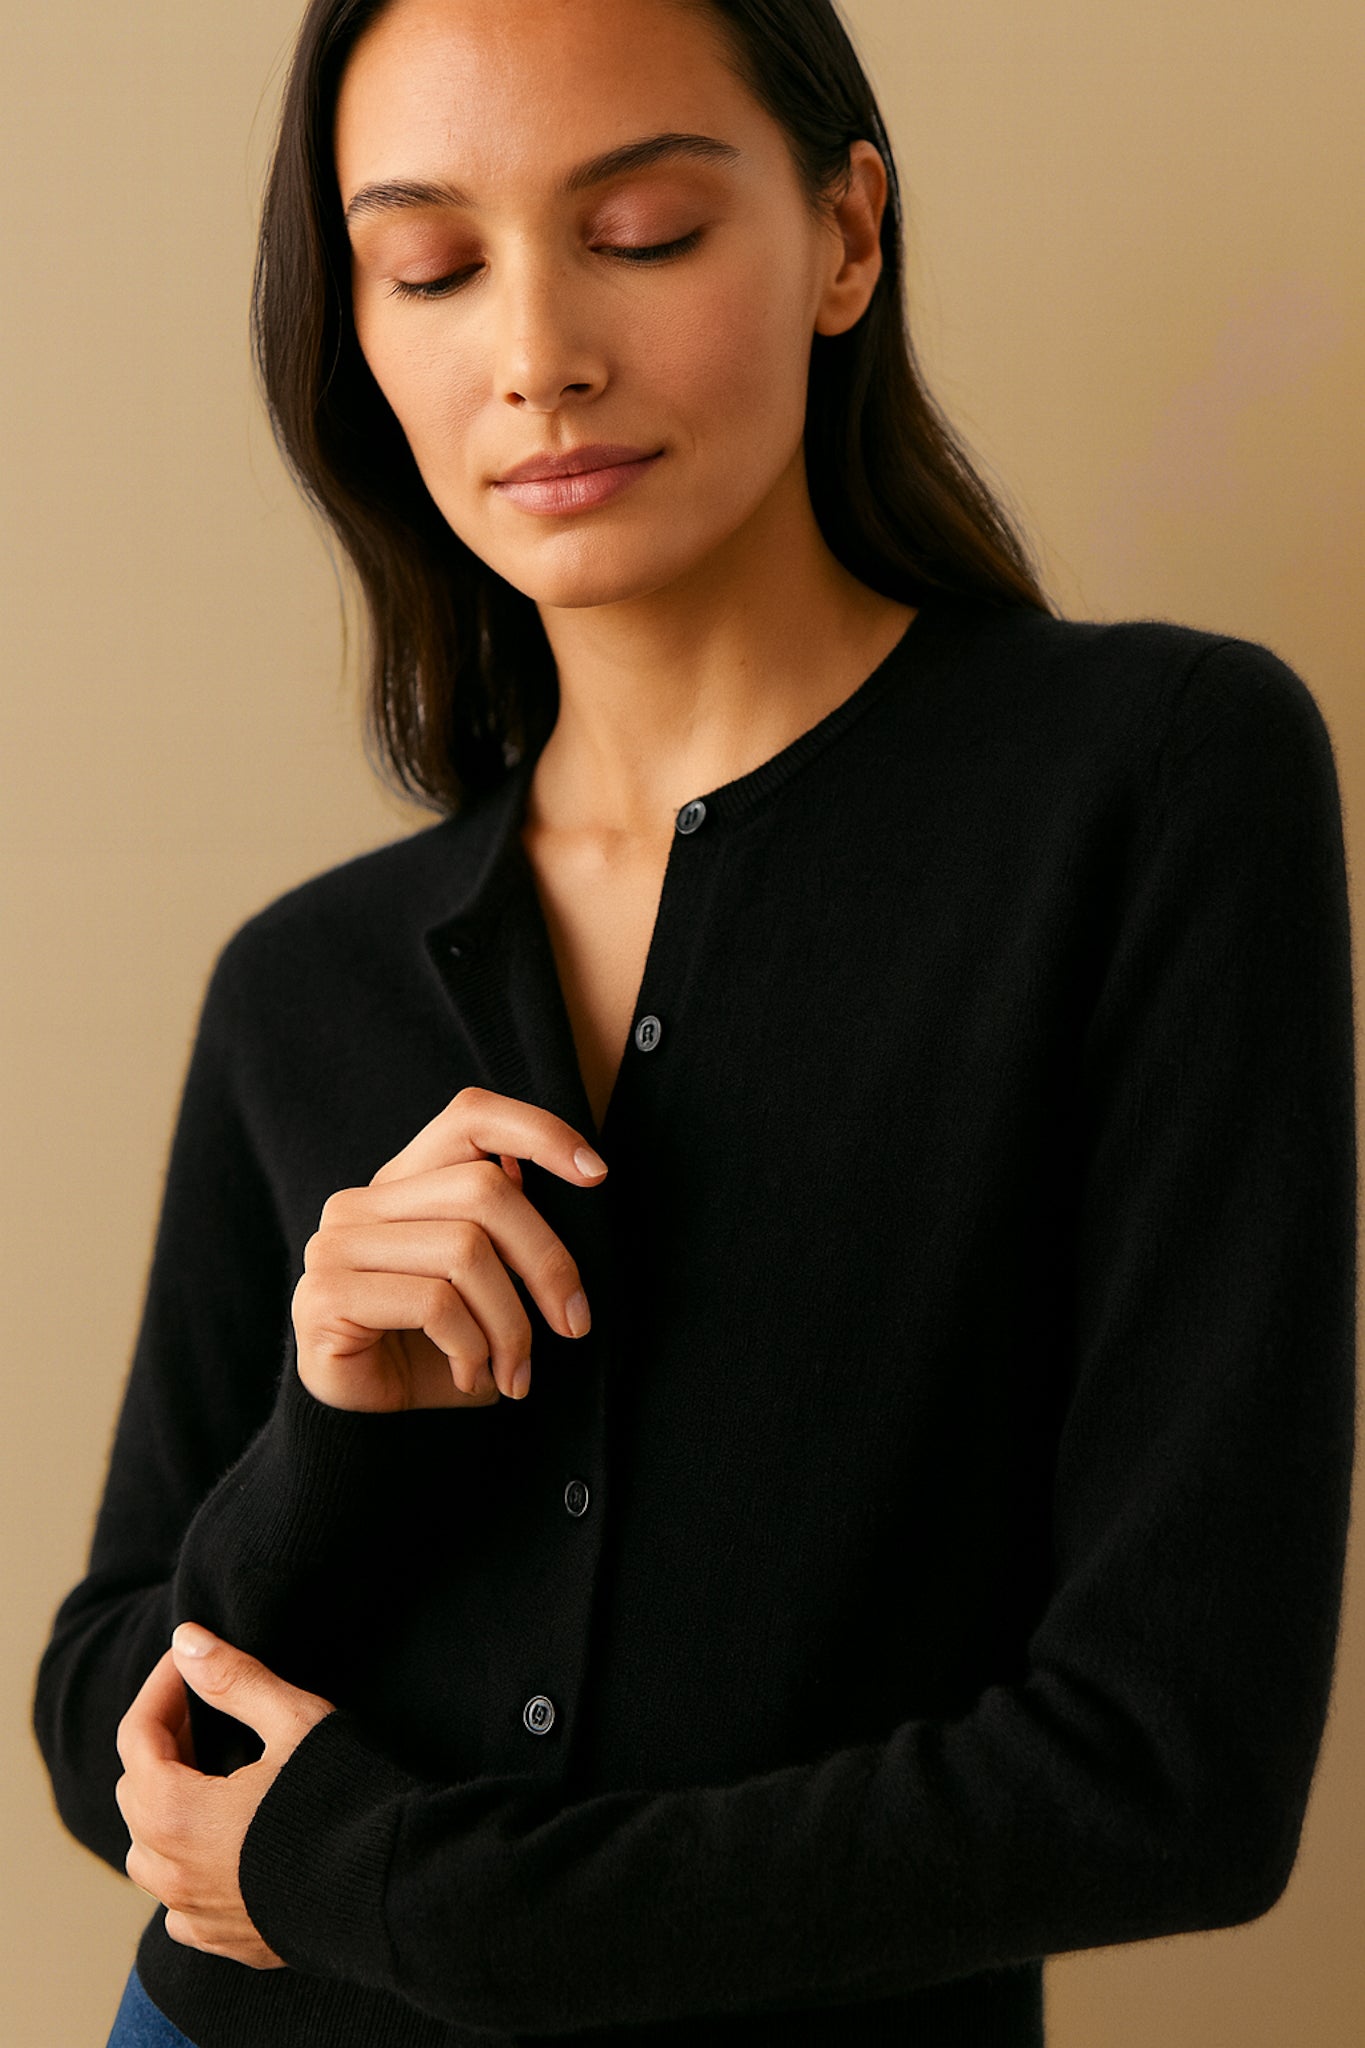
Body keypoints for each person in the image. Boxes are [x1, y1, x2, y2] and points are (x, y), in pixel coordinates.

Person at [33, 2, 1356, 2045]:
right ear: (361, 336)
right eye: (432, 266)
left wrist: (406, 1886)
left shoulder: (1154, 785)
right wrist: (328, 1434)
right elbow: (105, 1704)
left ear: (843, 235)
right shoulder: (305, 979)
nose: (535, 347)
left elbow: (1168, 1770)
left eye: (637, 228)